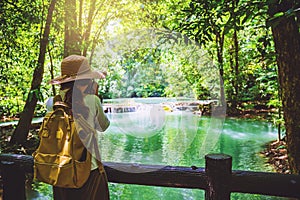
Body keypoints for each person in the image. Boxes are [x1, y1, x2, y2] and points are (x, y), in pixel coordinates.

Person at [49, 55, 110, 200]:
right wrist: (96, 99)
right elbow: (104, 127)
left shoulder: (52, 102)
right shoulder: (92, 100)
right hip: (89, 170)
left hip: (61, 171)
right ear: (87, 80)